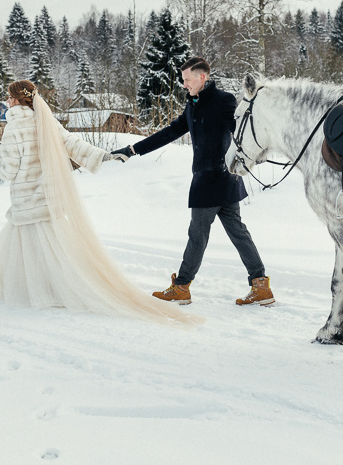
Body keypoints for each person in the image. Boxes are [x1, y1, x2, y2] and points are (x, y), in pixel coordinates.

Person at [0, 80, 199, 327]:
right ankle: (56, 288)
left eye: (9, 97)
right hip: (48, 199)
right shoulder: (45, 120)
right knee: (51, 251)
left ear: (17, 100)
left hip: (27, 202)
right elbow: (72, 144)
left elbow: (8, 170)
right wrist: (103, 156)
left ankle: (42, 293)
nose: (7, 101)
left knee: (30, 251)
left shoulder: (14, 126)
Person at [110, 58, 274, 307]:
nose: (184, 84)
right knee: (238, 233)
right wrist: (133, 149)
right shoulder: (193, 105)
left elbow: (241, 131)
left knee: (198, 235)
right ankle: (260, 285)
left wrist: (258, 151)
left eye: (187, 79)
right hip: (222, 182)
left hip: (213, 180)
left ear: (202, 77)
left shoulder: (223, 100)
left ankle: (182, 287)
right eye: (183, 80)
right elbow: (169, 132)